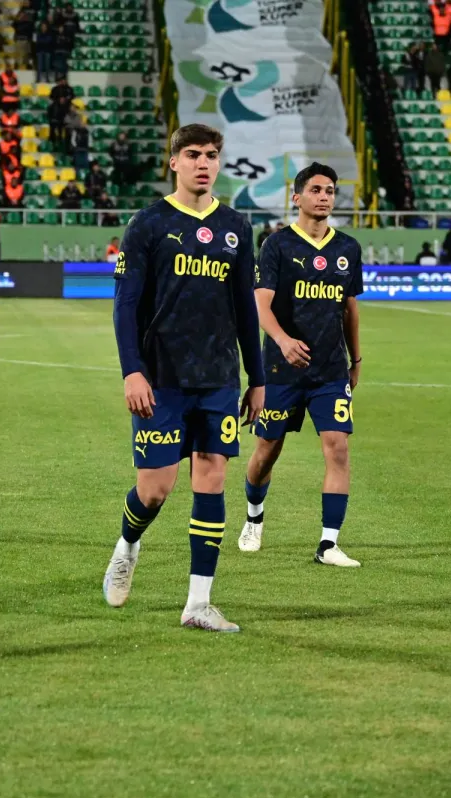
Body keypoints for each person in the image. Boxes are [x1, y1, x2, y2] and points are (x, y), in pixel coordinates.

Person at [103, 124, 265, 632]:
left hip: (218, 378)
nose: (203, 163)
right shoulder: (148, 224)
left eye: (211, 155)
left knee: (212, 479)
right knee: (155, 489)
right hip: (161, 377)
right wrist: (132, 371)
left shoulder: (236, 227)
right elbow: (125, 305)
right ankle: (127, 546)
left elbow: (245, 310)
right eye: (193, 154)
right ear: (173, 161)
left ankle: (198, 603)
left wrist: (257, 377)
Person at [238, 163, 364, 568]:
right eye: (316, 190)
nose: (324, 196)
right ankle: (254, 516)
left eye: (330, 190)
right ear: (297, 197)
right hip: (281, 370)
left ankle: (328, 544)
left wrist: (356, 358)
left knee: (338, 448)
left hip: (330, 371)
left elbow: (349, 309)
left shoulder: (348, 248)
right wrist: (283, 340)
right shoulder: (277, 245)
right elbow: (260, 304)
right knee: (267, 450)